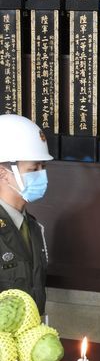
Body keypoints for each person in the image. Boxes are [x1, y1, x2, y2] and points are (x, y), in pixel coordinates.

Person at [0, 115, 52, 314]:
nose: (42, 175)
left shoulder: (32, 227)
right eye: (33, 169)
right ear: (3, 173)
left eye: (43, 167)